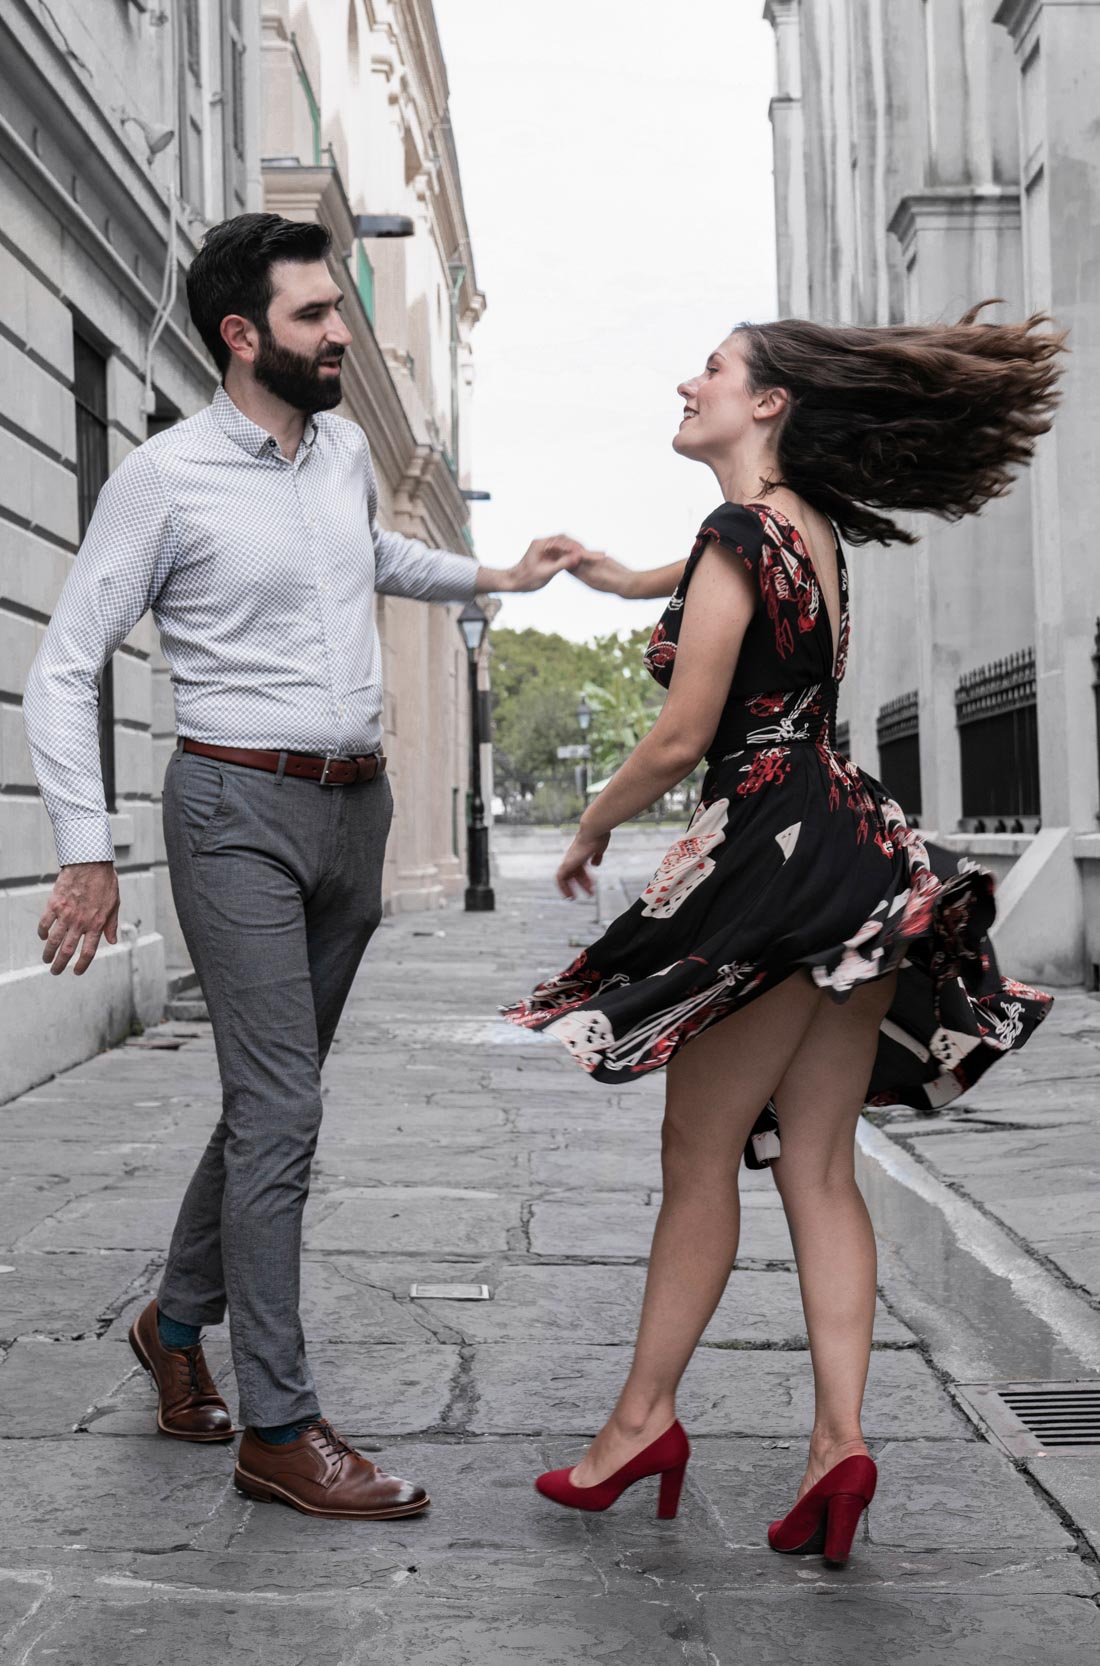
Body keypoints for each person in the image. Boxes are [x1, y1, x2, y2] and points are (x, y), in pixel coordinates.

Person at [23, 212, 578, 1522]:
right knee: (282, 1110)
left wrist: (491, 572)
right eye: (319, 316)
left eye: (340, 309)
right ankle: (278, 1423)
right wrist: (85, 853)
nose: (344, 334)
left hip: (354, 816)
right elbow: (64, 662)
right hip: (234, 812)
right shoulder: (163, 478)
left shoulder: (336, 454)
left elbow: (366, 558)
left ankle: (174, 1321)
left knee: (275, 1098)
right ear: (243, 335)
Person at [505, 305, 1063, 1567]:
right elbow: (716, 587)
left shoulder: (735, 530)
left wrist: (590, 825)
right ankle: (837, 1442)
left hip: (769, 852)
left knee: (698, 1154)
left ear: (766, 404)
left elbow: (681, 733)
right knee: (816, 1166)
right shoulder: (803, 526)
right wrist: (609, 573)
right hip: (854, 845)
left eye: (712, 368)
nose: (687, 380)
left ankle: (638, 1424)